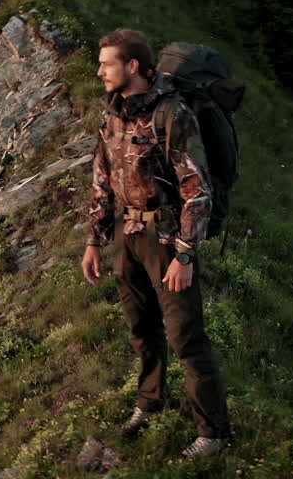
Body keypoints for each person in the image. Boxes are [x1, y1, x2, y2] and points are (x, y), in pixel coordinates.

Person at [83, 28, 232, 460]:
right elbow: (102, 179)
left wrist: (184, 254)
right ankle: (150, 402)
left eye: (106, 64)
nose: (99, 72)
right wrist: (94, 240)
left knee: (186, 337)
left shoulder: (172, 114)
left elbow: (196, 190)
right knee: (141, 329)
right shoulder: (112, 113)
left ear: (132, 66)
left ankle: (213, 432)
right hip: (125, 236)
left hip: (166, 240)